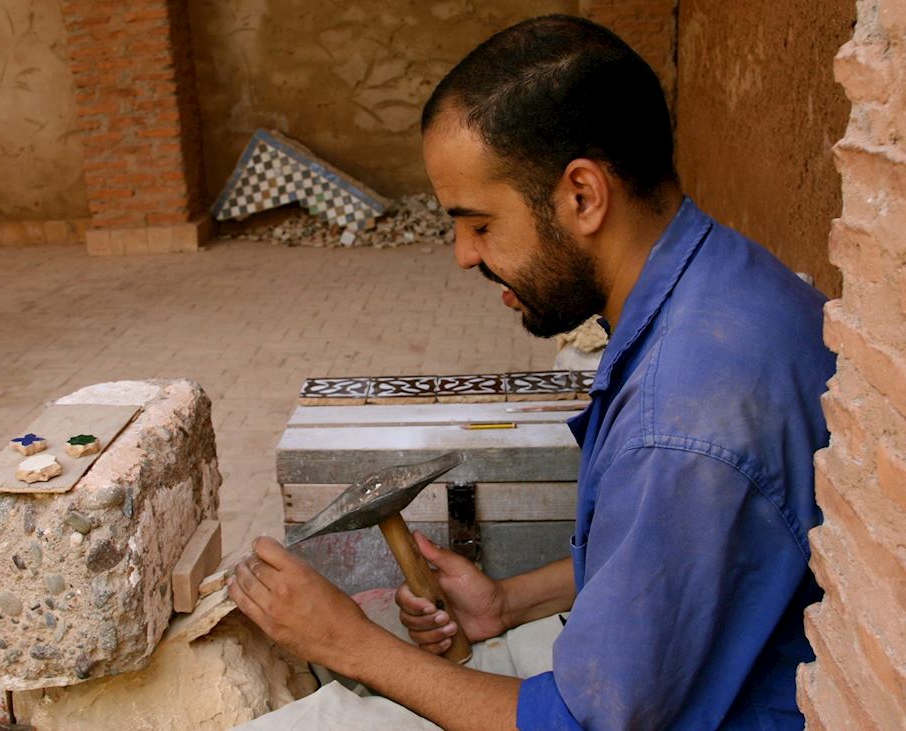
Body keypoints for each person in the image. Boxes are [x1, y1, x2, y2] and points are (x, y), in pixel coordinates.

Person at [229, 14, 834, 730]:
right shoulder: (717, 283)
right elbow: (689, 556)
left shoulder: (680, 420)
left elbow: (585, 724)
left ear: (582, 195)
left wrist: (351, 645)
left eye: (479, 223)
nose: (462, 253)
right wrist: (509, 601)